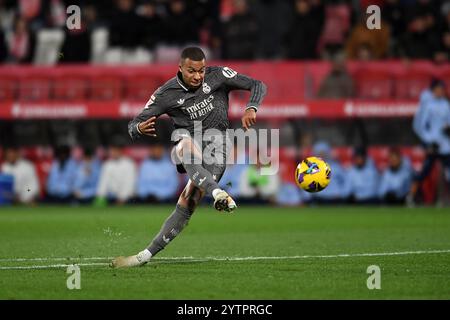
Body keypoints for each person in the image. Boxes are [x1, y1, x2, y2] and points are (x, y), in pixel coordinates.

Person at [111, 46, 267, 268]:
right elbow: (133, 124)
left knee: (187, 202)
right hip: (190, 144)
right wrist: (139, 129)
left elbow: (257, 84)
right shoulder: (166, 94)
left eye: (201, 70)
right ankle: (218, 193)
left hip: (218, 148)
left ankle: (144, 256)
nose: (198, 76)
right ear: (180, 68)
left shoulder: (219, 75)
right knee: (183, 144)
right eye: (192, 71)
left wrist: (252, 107)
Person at [407, 79, 450, 205]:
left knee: (448, 171)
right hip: (433, 144)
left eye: (442, 89)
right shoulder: (427, 105)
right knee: (425, 171)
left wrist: (447, 128)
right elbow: (418, 126)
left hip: (446, 144)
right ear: (433, 90)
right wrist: (427, 141)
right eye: (439, 88)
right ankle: (411, 196)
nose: (441, 91)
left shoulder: (446, 104)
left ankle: (444, 199)